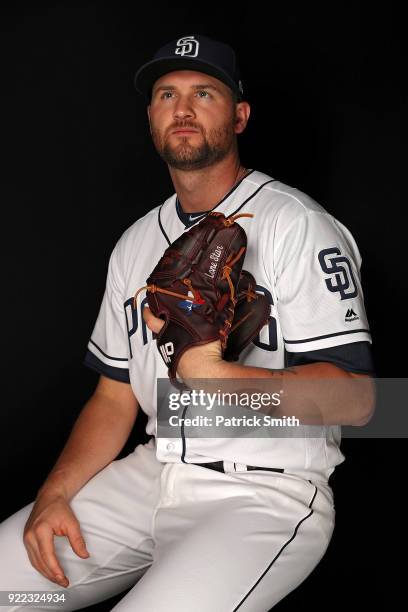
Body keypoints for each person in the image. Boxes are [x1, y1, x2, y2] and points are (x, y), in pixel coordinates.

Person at [0, 34, 375, 611]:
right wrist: (54, 494)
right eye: (166, 94)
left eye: (205, 92)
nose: (182, 107)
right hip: (153, 473)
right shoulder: (134, 244)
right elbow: (113, 395)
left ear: (240, 116)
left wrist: (215, 376)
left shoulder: (296, 224)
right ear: (151, 118)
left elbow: (362, 403)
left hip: (261, 492)